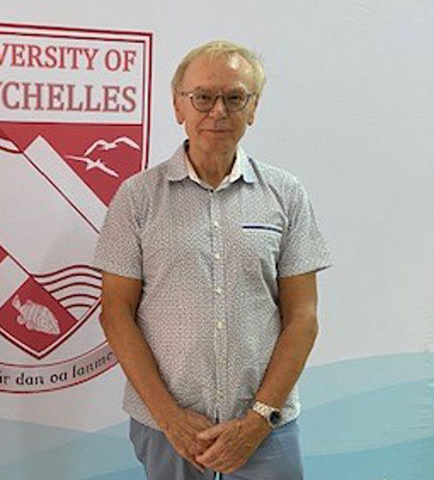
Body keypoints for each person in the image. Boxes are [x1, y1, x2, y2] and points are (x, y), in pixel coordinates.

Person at [94, 40, 331, 479]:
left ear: (253, 107)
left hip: (266, 427)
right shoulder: (137, 197)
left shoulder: (286, 194)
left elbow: (303, 316)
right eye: (203, 97)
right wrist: (170, 418)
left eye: (235, 97)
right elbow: (115, 312)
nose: (218, 111)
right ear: (178, 105)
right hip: (167, 427)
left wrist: (259, 419)